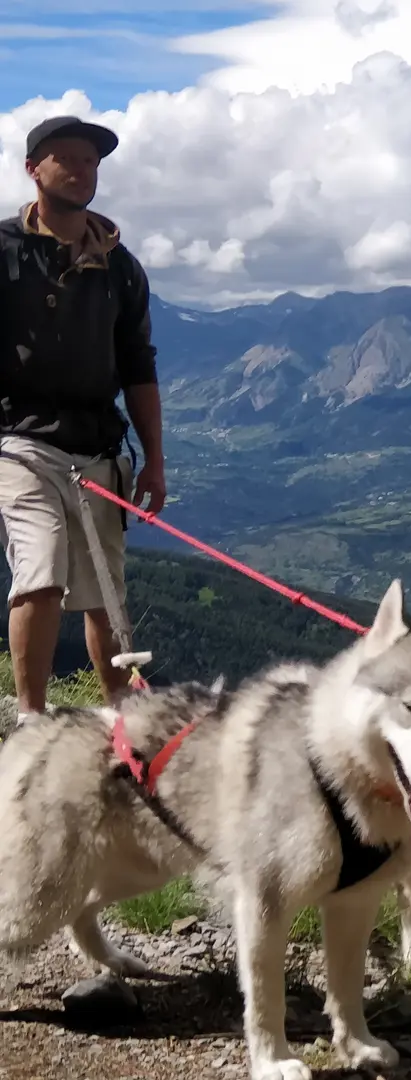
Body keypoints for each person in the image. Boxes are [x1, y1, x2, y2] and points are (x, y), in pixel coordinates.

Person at [0, 114, 165, 722]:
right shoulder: (4, 251)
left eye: (90, 161)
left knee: (105, 595)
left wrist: (154, 461)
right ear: (33, 169)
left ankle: (124, 722)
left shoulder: (120, 266)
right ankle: (31, 719)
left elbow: (138, 367)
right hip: (19, 441)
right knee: (41, 570)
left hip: (99, 445)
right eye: (66, 158)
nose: (81, 169)